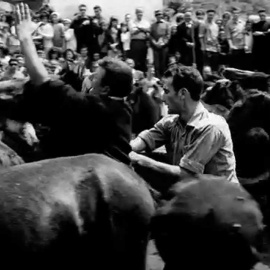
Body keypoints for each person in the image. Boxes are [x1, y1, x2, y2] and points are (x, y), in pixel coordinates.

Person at [11, 3, 133, 165]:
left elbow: (42, 81)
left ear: (105, 89)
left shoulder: (96, 108)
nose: (90, 78)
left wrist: (25, 36)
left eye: (95, 78)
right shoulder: (123, 109)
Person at [130, 65, 238, 186]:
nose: (162, 97)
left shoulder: (212, 127)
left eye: (166, 91)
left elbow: (187, 175)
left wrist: (141, 160)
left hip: (222, 200)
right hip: (195, 195)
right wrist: (126, 149)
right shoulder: (170, 122)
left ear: (182, 93)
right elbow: (145, 139)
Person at [150, 10, 170, 78]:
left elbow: (168, 35)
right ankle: (157, 77)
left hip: (164, 46)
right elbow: (151, 36)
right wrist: (155, 43)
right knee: (157, 64)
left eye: (160, 14)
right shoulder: (153, 25)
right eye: (157, 15)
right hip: (156, 47)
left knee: (164, 63)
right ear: (155, 16)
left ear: (162, 15)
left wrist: (163, 43)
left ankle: (164, 77)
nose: (159, 16)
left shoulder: (167, 24)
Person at [130, 8, 150, 72]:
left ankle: (143, 74)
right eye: (138, 13)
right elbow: (133, 31)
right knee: (135, 60)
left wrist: (139, 28)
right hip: (135, 42)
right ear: (136, 13)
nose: (140, 14)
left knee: (143, 60)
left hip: (143, 42)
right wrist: (143, 29)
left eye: (141, 13)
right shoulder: (132, 22)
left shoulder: (146, 22)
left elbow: (148, 31)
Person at [252, 9, 270, 73]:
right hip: (258, 48)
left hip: (267, 48)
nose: (262, 16)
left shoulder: (269, 24)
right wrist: (266, 33)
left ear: (265, 15)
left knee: (267, 67)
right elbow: (254, 33)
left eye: (263, 15)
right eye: (260, 15)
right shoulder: (255, 24)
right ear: (259, 16)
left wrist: (261, 33)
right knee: (259, 67)